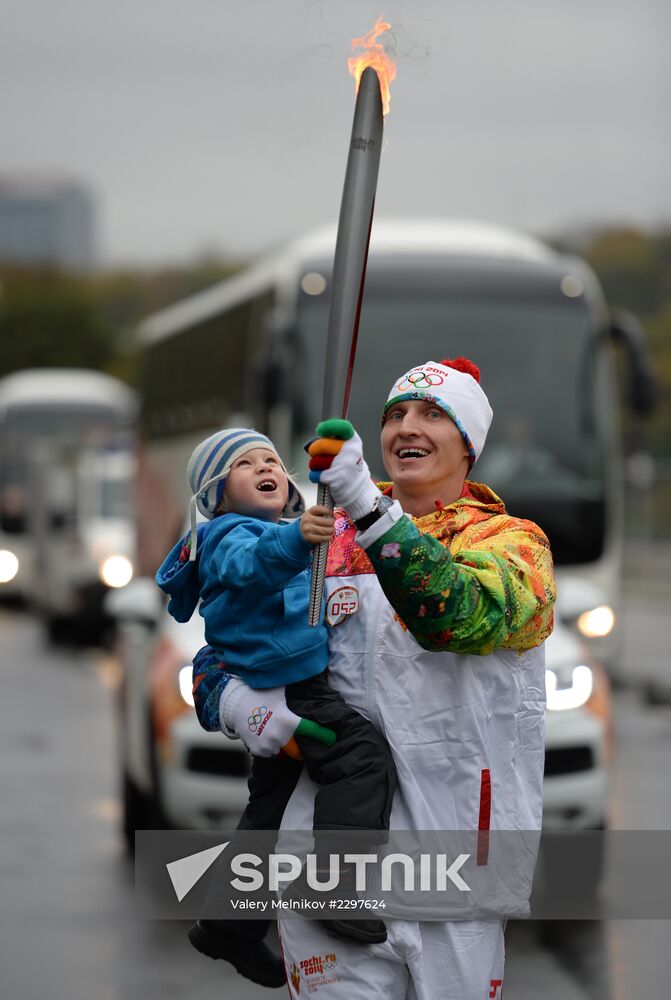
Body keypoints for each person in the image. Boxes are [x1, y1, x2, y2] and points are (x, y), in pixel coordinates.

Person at [216, 358, 556, 998]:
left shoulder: (514, 546)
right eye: (395, 414)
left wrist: (370, 509)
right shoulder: (322, 541)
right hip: (327, 860)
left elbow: (455, 615)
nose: (408, 426)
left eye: (432, 414)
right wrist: (230, 699)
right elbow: (231, 630)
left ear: (469, 443)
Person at [155, 428, 397, 988]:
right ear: (216, 495)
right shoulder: (225, 536)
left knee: (267, 815)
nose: (265, 466)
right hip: (289, 691)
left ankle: (226, 925)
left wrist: (325, 490)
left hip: (296, 683)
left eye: (270, 459)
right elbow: (253, 564)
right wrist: (296, 542)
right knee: (361, 757)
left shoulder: (287, 529)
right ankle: (335, 883)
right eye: (245, 464)